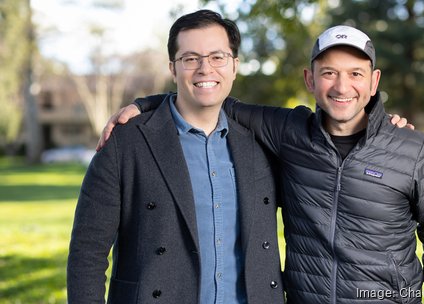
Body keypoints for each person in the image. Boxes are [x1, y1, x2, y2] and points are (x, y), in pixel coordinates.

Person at [100, 26, 424, 304]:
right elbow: (212, 96)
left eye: (355, 73)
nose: (342, 86)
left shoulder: (412, 149)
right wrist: (147, 105)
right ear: (310, 79)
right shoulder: (287, 131)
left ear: (373, 81)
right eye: (328, 72)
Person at [67, 10, 285, 304]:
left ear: (235, 65)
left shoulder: (261, 145)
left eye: (217, 57)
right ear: (173, 68)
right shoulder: (127, 143)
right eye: (190, 58)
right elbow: (87, 252)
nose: (205, 69)